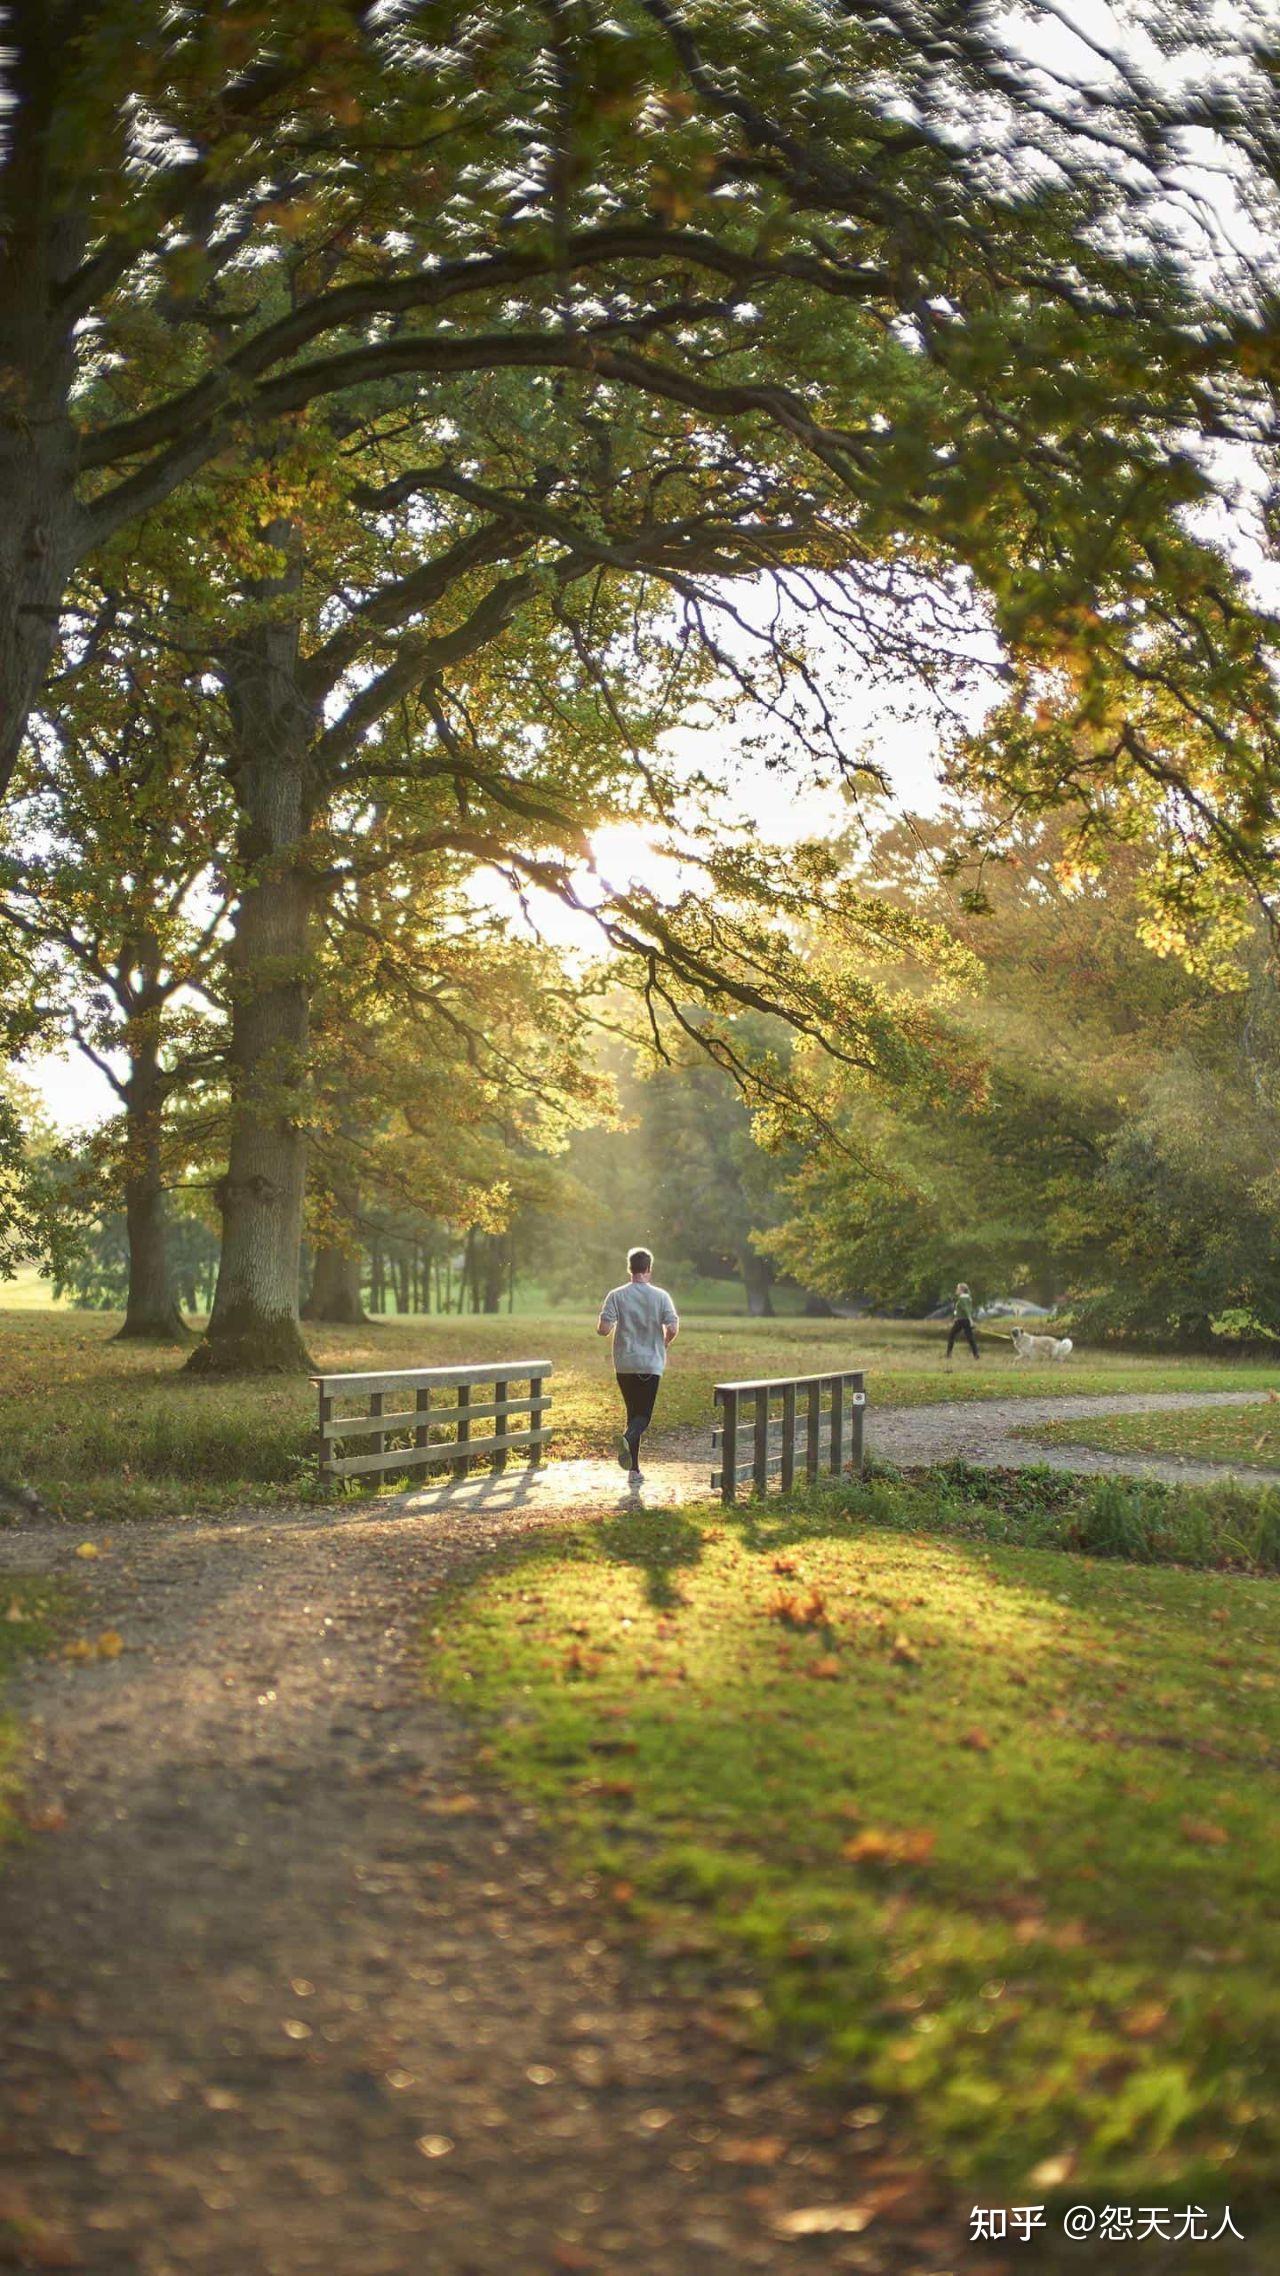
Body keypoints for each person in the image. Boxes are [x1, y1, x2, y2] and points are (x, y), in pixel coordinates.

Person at [596, 1248, 679, 1483]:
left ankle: (634, 1470)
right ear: (649, 1270)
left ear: (629, 1268)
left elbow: (603, 1330)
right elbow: (672, 1327)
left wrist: (604, 1322)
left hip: (625, 1363)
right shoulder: (661, 1296)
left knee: (633, 1413)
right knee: (643, 1416)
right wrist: (663, 1343)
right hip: (651, 1363)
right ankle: (627, 1440)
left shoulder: (616, 1295)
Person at [946, 1282, 980, 1362]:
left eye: (957, 1288)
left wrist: (970, 1319)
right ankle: (976, 1355)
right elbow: (964, 1309)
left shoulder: (962, 1299)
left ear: (961, 1290)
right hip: (964, 1320)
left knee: (951, 1335)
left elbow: (966, 1310)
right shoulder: (968, 1298)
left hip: (962, 1320)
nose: (956, 1290)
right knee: (970, 1338)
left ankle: (948, 1354)